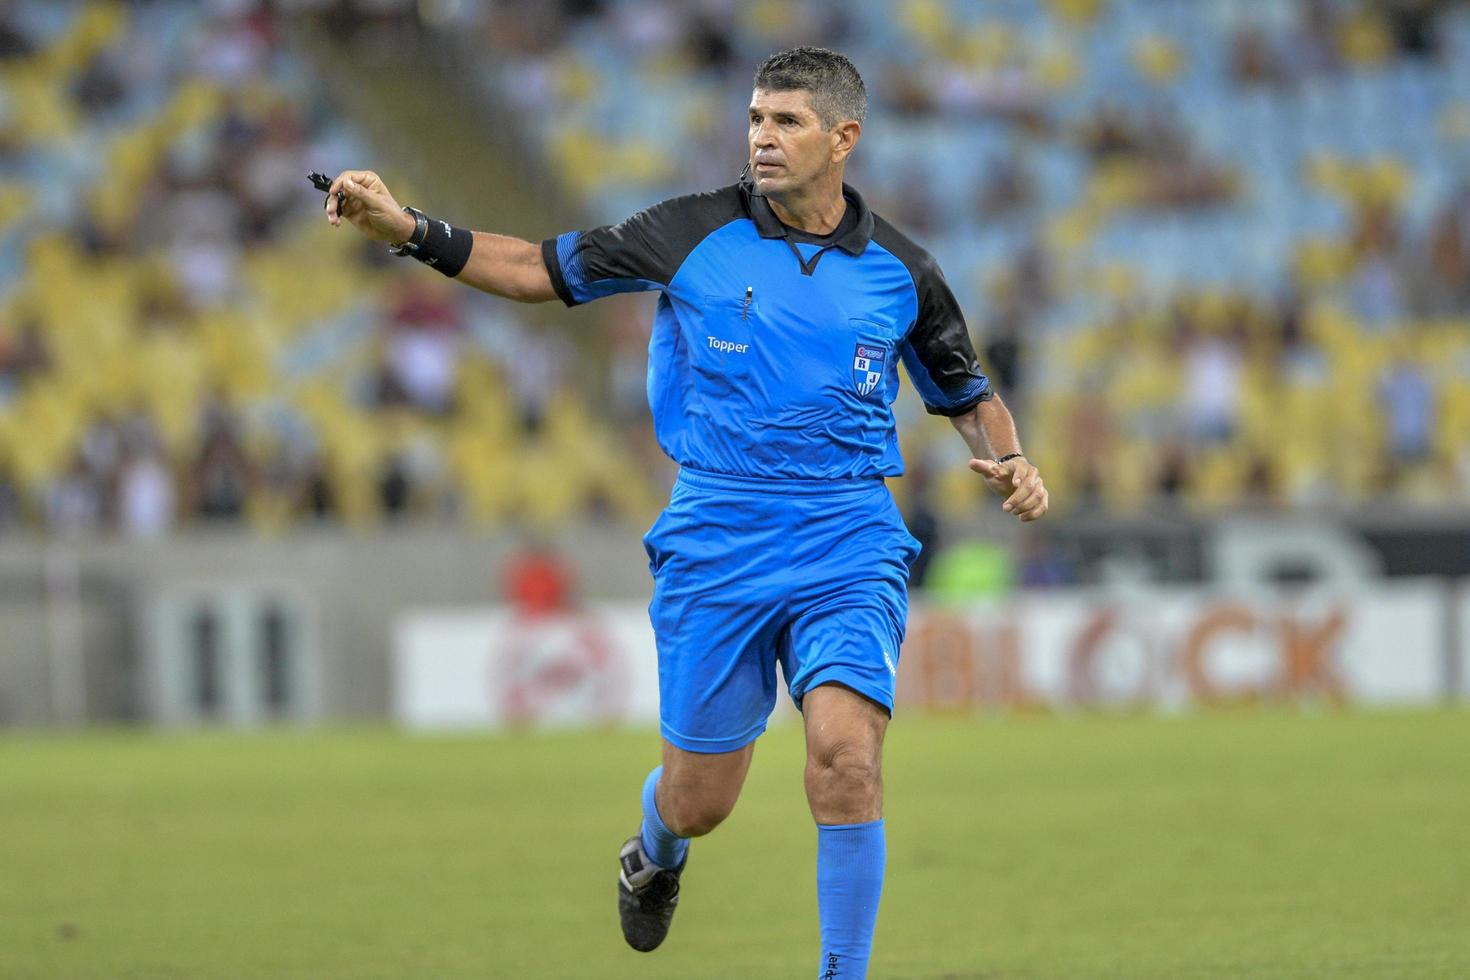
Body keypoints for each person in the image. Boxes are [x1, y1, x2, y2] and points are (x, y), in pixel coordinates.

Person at [322, 45, 1049, 980]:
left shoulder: (904, 269)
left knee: (845, 756)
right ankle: (655, 850)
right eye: (755, 119)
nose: (763, 138)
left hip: (848, 535)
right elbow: (536, 269)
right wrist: (407, 227)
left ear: (844, 138)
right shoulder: (689, 232)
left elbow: (966, 391)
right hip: (719, 534)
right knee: (701, 798)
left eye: (786, 121)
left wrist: (1012, 458)